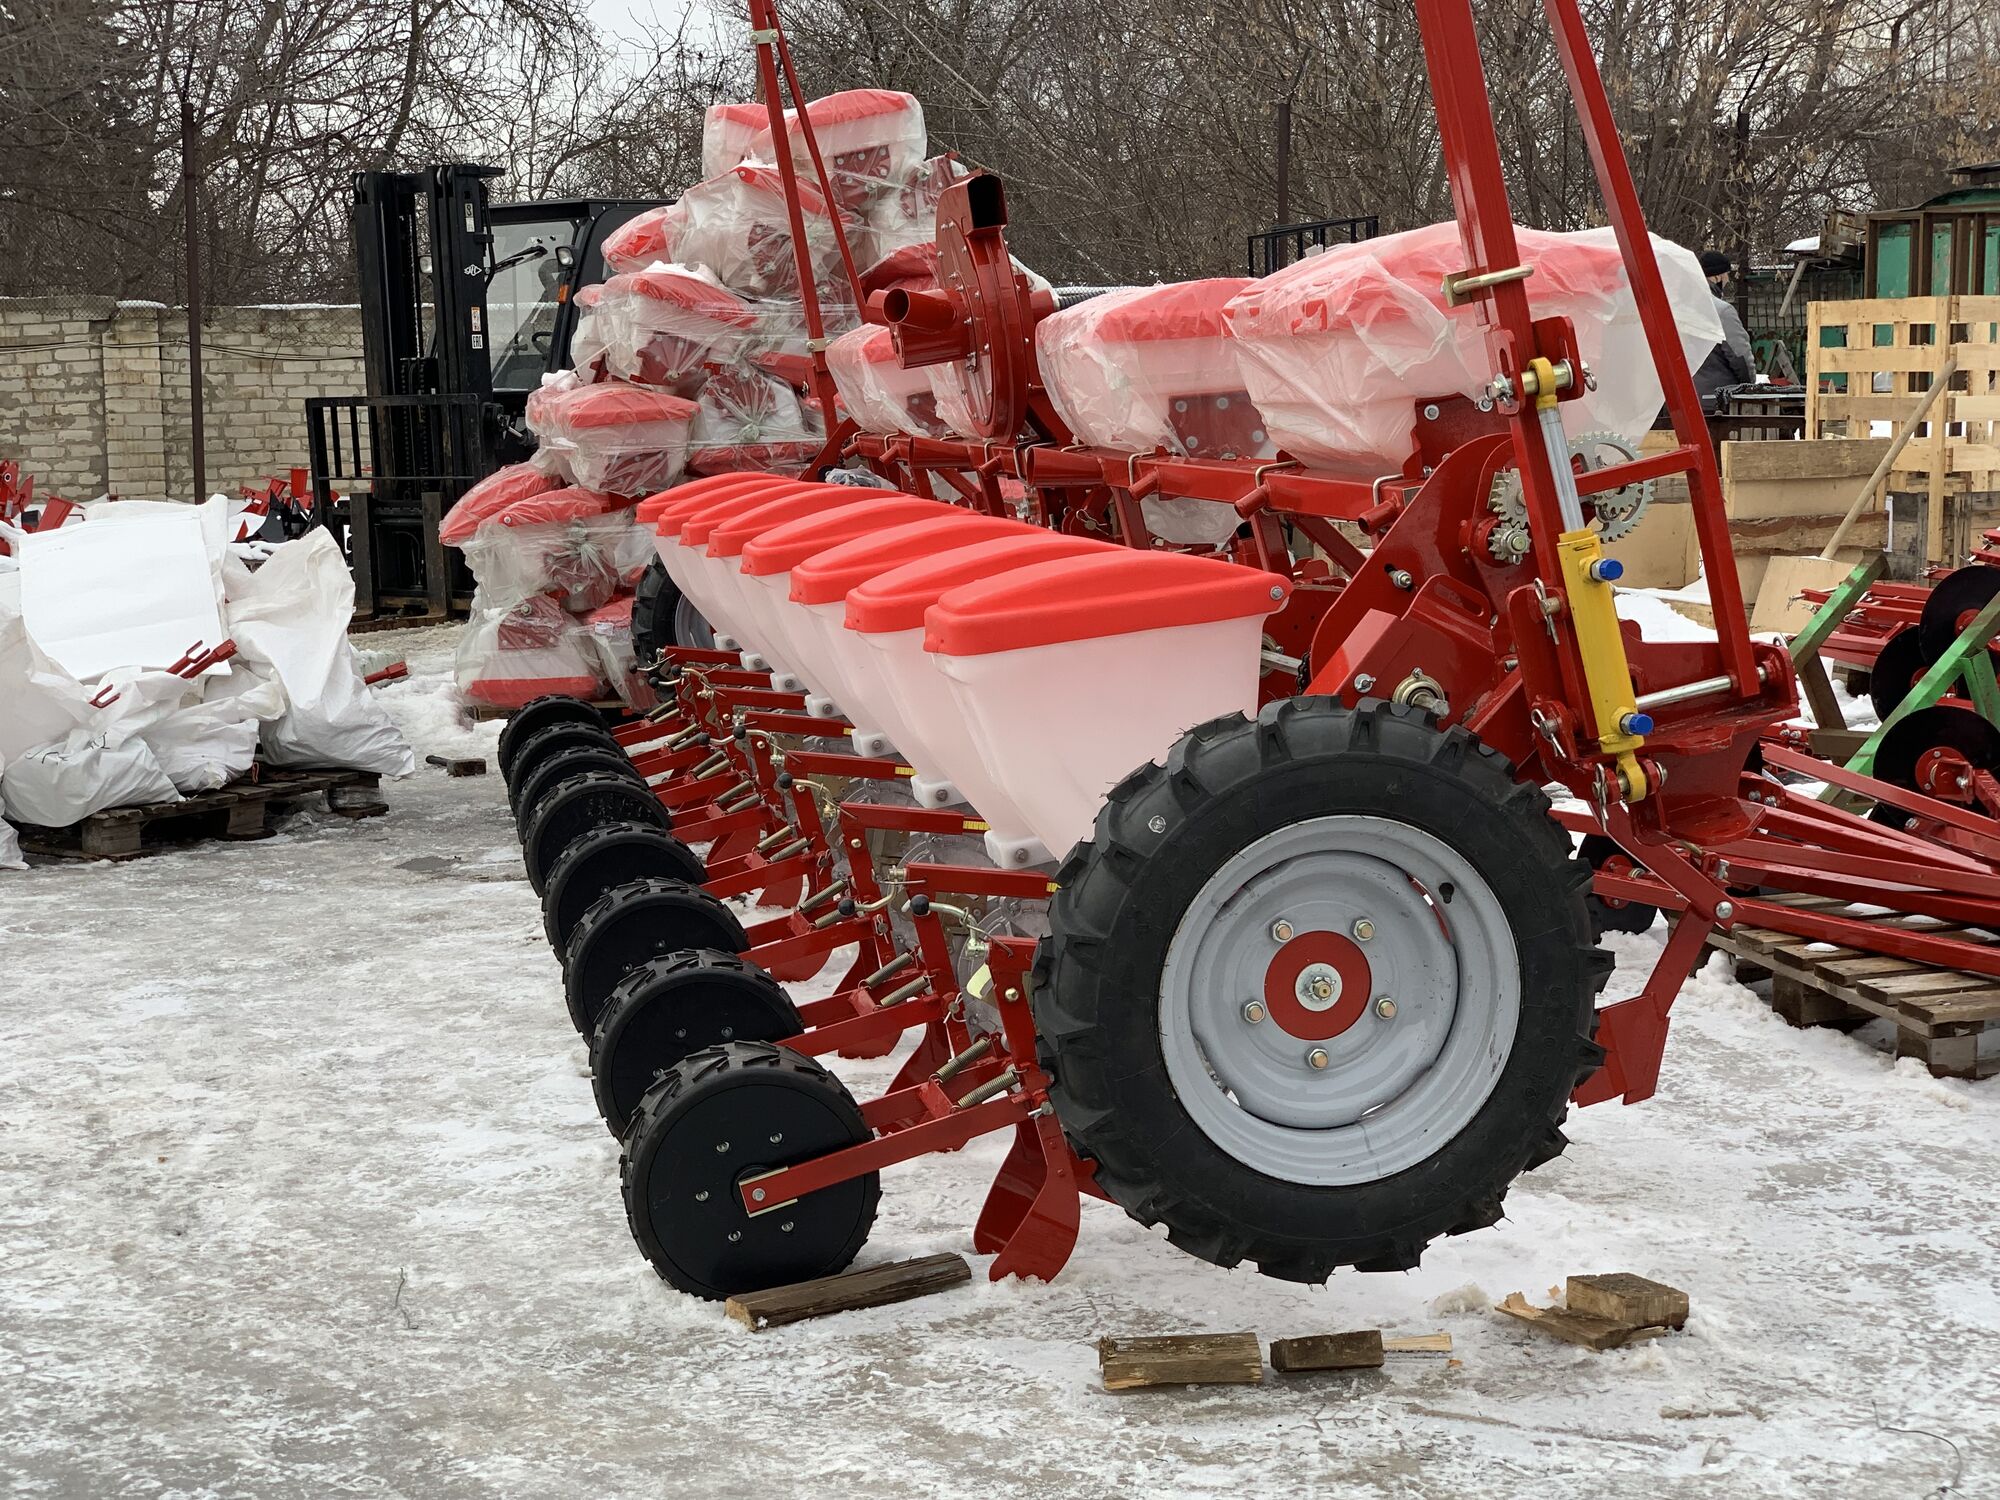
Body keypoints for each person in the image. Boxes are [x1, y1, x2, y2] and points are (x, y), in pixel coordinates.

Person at [1692, 249, 1756, 410]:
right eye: (1727, 275)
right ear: (1717, 276)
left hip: (1680, 403)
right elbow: (1740, 357)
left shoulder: (1676, 308)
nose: (1728, 281)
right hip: (1717, 402)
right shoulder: (1721, 311)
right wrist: (1748, 388)